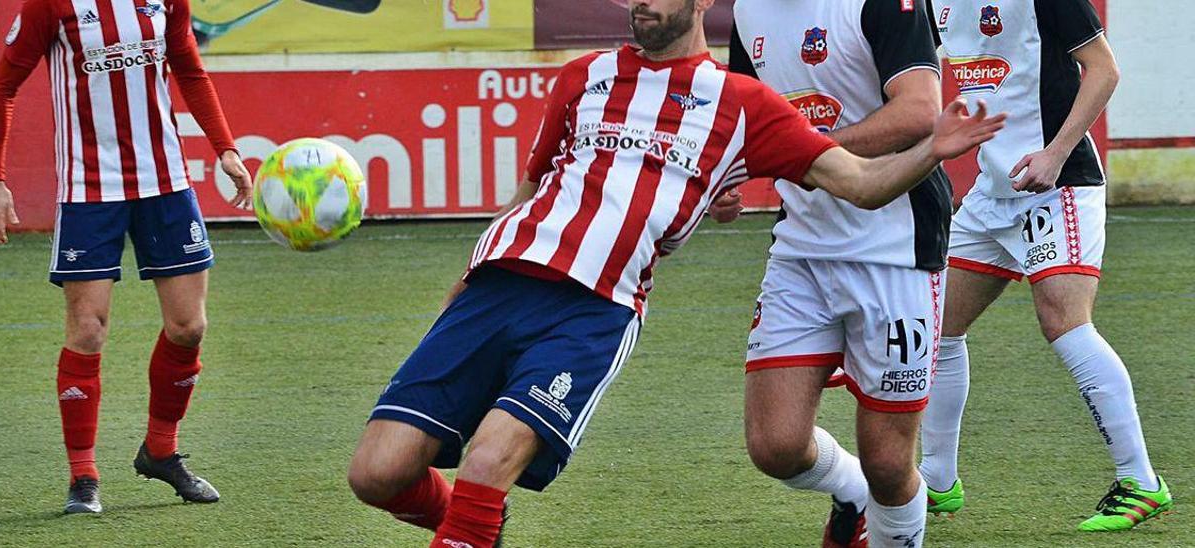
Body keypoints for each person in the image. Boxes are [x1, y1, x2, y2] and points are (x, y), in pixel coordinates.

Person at [343, 0, 1004, 546]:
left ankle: (474, 522)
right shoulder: (581, 77)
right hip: (498, 288)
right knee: (375, 474)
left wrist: (931, 150)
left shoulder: (741, 102)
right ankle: (475, 523)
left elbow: (859, 179)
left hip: (595, 305)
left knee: (490, 462)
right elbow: (530, 194)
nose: (639, 3)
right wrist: (467, 281)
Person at [0, 0, 253, 514]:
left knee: (189, 326)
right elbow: (3, 88)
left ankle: (161, 451)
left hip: (166, 183)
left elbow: (189, 68)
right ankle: (83, 477)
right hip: (88, 190)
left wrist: (226, 148)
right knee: (87, 330)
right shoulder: (51, 4)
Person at [922, 0, 1172, 531]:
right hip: (992, 192)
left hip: (1058, 182)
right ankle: (937, 482)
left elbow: (1104, 69)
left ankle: (1141, 482)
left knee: (1063, 320)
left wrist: (1055, 153)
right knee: (937, 327)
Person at [719, 0, 950, 546]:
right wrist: (724, 174)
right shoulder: (748, 11)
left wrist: (806, 154)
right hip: (801, 249)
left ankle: (883, 512)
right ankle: (851, 494)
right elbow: (741, 117)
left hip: (895, 250)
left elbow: (920, 111)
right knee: (774, 446)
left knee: (890, 465)